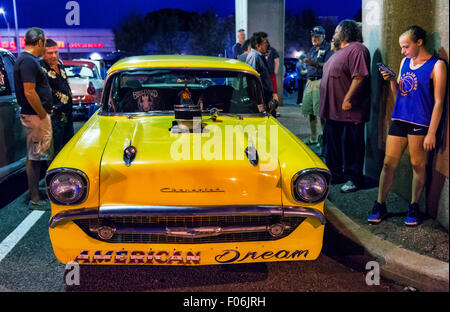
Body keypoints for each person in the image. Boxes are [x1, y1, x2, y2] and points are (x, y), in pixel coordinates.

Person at [369, 25, 447, 226]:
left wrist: (432, 132)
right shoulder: (405, 62)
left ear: (419, 42)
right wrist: (393, 81)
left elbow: (439, 102)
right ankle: (380, 204)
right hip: (399, 118)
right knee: (388, 163)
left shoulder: (437, 65)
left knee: (417, 164)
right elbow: (400, 95)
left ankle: (414, 206)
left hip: (420, 122)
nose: (402, 51)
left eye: (406, 46)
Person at [319, 19, 371, 193]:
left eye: (336, 31)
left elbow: (359, 76)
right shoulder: (339, 52)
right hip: (333, 111)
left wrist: (348, 99)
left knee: (352, 146)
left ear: (345, 32)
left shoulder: (357, 49)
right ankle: (335, 174)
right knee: (333, 145)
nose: (333, 35)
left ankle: (354, 178)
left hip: (349, 111)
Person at [13, 27, 53, 210]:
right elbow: (29, 92)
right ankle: (35, 198)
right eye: (44, 43)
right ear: (39, 42)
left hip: (34, 115)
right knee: (34, 157)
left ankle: (35, 192)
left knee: (36, 155)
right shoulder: (28, 61)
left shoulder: (27, 60)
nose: (44, 47)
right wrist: (43, 115)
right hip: (35, 116)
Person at [40, 39, 74, 156]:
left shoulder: (60, 64)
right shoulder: (40, 69)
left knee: (68, 148)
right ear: (43, 53)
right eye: (50, 53)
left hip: (67, 115)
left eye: (56, 52)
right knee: (55, 152)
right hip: (53, 118)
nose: (54, 56)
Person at [302, 25, 333, 145]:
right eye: (313, 36)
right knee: (309, 111)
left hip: (320, 81)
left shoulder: (327, 48)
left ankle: (325, 140)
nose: (314, 38)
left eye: (316, 36)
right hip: (310, 82)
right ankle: (313, 137)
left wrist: (314, 63)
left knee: (321, 112)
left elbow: (328, 65)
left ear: (323, 37)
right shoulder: (312, 49)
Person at [245, 32, 274, 113]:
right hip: (260, 99)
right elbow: (251, 80)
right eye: (265, 43)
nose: (267, 45)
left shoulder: (260, 56)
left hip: (265, 97)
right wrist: (258, 102)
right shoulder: (254, 56)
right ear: (258, 46)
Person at [266, 46, 281, 117]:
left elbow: (277, 62)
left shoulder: (272, 50)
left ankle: (277, 110)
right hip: (263, 74)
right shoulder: (260, 51)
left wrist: (274, 73)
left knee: (274, 93)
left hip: (271, 74)